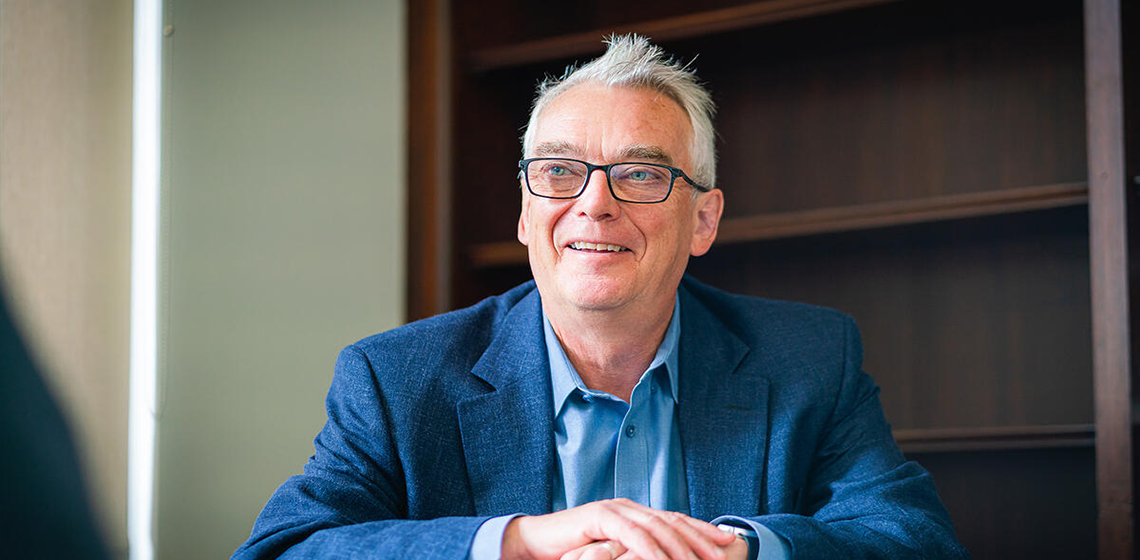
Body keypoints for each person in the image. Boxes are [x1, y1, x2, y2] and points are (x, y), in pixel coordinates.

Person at [235, 34, 969, 560]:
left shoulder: (809, 358)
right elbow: (287, 548)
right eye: (558, 172)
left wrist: (730, 551)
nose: (593, 205)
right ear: (525, 212)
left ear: (703, 220)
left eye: (642, 176)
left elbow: (914, 540)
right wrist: (519, 542)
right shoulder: (395, 377)